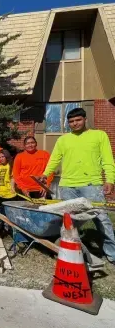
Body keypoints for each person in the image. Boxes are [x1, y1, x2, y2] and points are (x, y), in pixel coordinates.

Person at [41, 107, 115, 265]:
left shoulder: (99, 135)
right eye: (71, 121)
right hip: (67, 186)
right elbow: (54, 159)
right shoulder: (63, 139)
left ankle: (112, 254)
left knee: (101, 219)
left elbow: (107, 160)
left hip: (92, 185)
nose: (74, 124)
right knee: (69, 221)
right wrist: (46, 174)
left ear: (85, 119)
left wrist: (110, 180)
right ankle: (70, 251)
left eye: (78, 120)